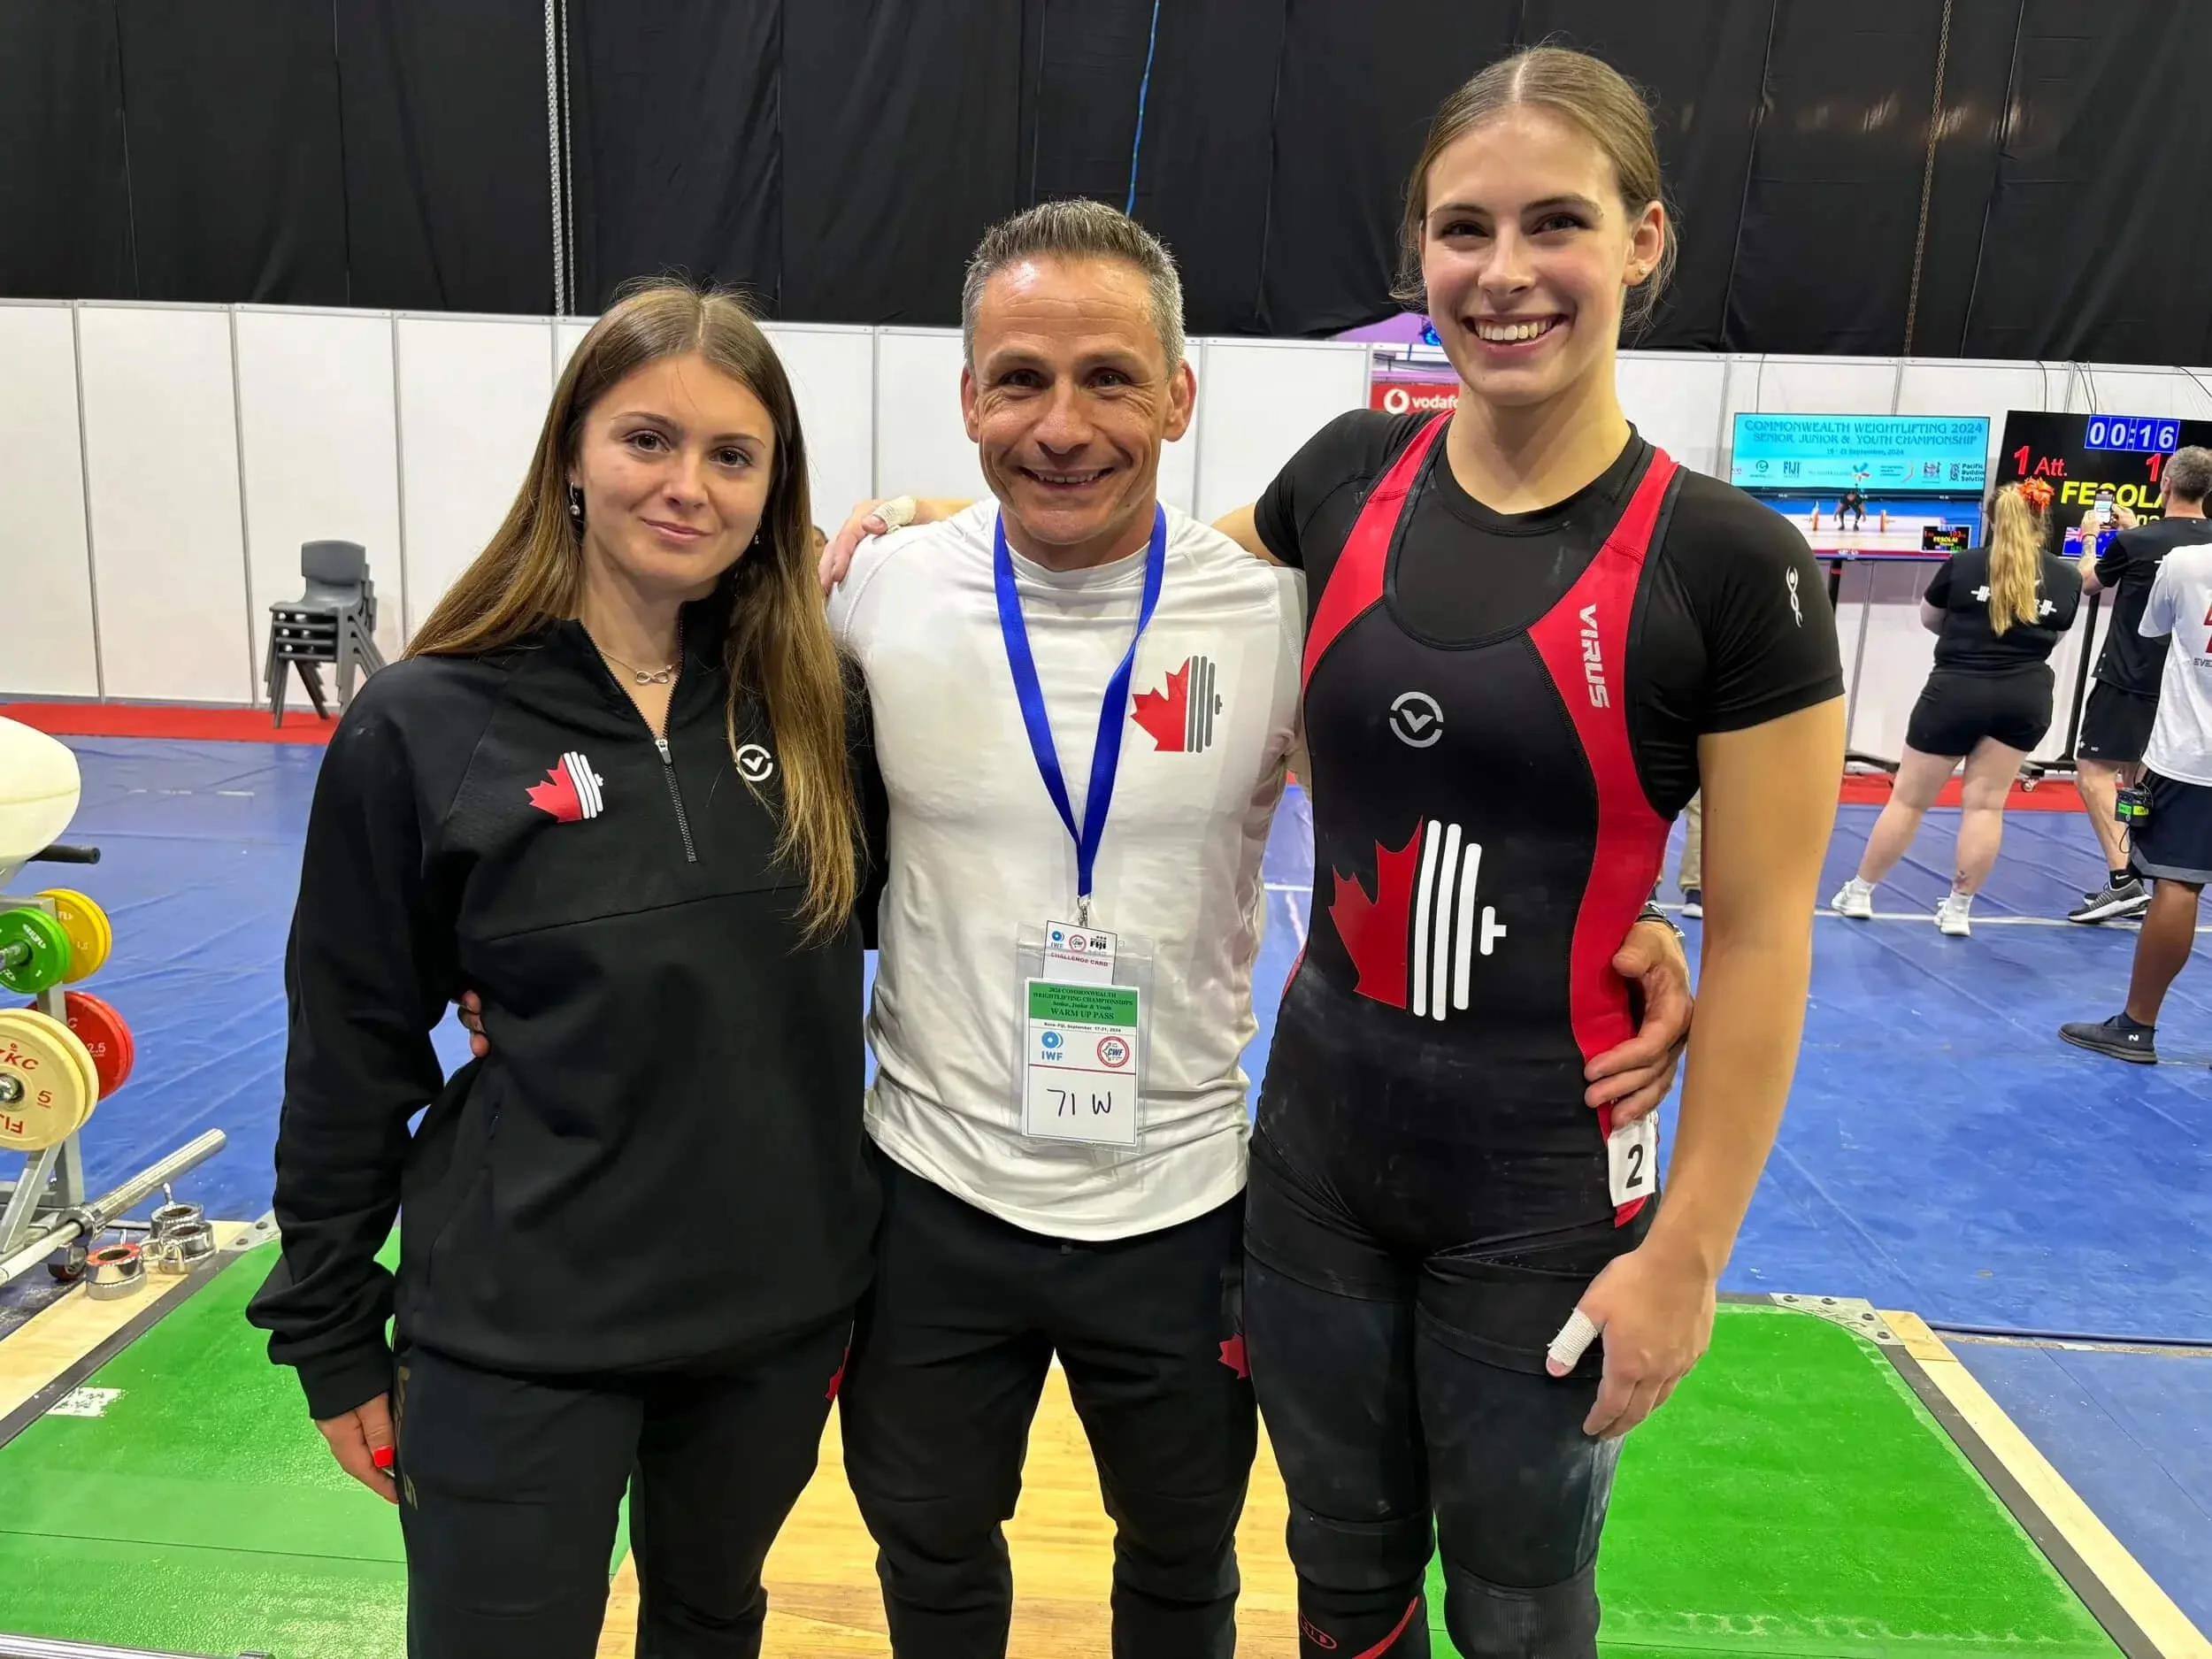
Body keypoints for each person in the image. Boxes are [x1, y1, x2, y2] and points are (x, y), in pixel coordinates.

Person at [814, 198, 1694, 1659]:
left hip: (1184, 1204)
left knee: (1182, 1563)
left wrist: (1632, 916)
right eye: (1020, 379)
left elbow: (1469, 780)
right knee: (930, 1548)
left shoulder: (1281, 611)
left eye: (1108, 377)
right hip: (930, 1192)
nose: (1061, 424)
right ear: (967, 399)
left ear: (1179, 395)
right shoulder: (873, 589)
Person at [1202, 48, 1840, 1657]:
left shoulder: (1731, 568)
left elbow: (1769, 936)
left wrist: (1687, 1257)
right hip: (1317, 1161)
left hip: (1546, 1187)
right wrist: (929, 533)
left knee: (1518, 1599)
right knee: (1341, 1575)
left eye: (1555, 223)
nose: (1503, 274)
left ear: (1643, 239)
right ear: (1417, 252)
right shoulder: (1342, 477)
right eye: (1462, 229)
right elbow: (1123, 596)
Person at [248, 280, 884, 1659]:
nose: (688, 484)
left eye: (733, 454)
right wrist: (333, 1324)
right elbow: (349, 1043)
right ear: (575, 458)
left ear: (774, 490)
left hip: (770, 1317)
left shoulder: (819, 704)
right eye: (648, 438)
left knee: (710, 1618)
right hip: (519, 1322)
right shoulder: (425, 723)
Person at [1831, 480, 2080, 936]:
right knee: (1985, 807)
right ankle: (1959, 909)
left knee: (1909, 799)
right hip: (2024, 698)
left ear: (1992, 520)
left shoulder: (1964, 564)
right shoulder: (2067, 578)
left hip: (1956, 691)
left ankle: (1861, 891)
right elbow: (2056, 635)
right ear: (2043, 521)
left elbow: (1930, 619)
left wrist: (1971, 632)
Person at [2063, 446, 2212, 1062]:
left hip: (2189, 740)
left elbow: (2149, 623)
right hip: (2181, 734)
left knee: (2177, 882)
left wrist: (2100, 538)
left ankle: (2136, 1023)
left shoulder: (2179, 560)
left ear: (2167, 482)